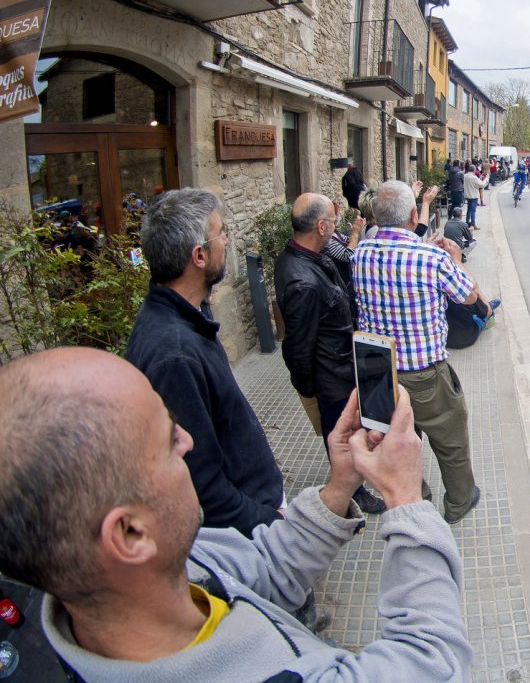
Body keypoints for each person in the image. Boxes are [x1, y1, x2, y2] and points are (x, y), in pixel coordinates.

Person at [0, 347, 471, 681]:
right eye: (166, 442)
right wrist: (406, 498)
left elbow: (265, 567)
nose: (187, 441)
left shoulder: (175, 567)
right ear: (129, 533)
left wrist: (340, 483)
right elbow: (433, 659)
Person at [125, 188, 284, 537]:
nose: (226, 240)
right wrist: (273, 525)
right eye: (220, 233)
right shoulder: (175, 355)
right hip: (250, 535)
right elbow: (203, 492)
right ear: (199, 256)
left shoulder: (185, 314)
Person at [353, 180, 483, 523]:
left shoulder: (361, 253)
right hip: (424, 374)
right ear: (414, 214)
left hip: (378, 374)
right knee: (450, 440)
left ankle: (416, 496)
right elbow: (470, 298)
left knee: (397, 440)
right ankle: (458, 502)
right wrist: (454, 258)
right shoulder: (432, 258)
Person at [275, 193, 387, 514]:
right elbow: (297, 346)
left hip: (341, 362)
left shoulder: (305, 254)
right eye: (334, 222)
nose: (337, 227)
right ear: (321, 226)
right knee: (342, 431)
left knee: (353, 425)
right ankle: (352, 491)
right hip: (331, 375)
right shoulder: (302, 281)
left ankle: (358, 478)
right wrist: (311, 390)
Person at [463, 163, 486, 228]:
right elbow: (481, 184)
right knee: (473, 211)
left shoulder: (465, 176)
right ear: (473, 170)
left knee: (468, 210)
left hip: (467, 195)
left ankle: (467, 223)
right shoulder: (473, 177)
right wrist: (486, 179)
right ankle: (473, 225)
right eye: (475, 169)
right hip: (473, 196)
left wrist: (479, 178)